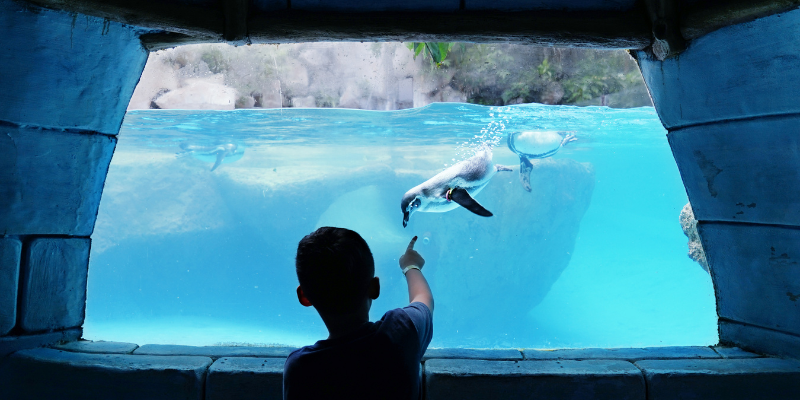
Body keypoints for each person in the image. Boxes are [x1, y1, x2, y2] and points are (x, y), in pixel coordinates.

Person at [284, 227, 434, 400]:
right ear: (375, 288)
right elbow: (423, 299)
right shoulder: (400, 332)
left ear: (304, 297)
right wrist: (410, 265)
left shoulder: (300, 368)